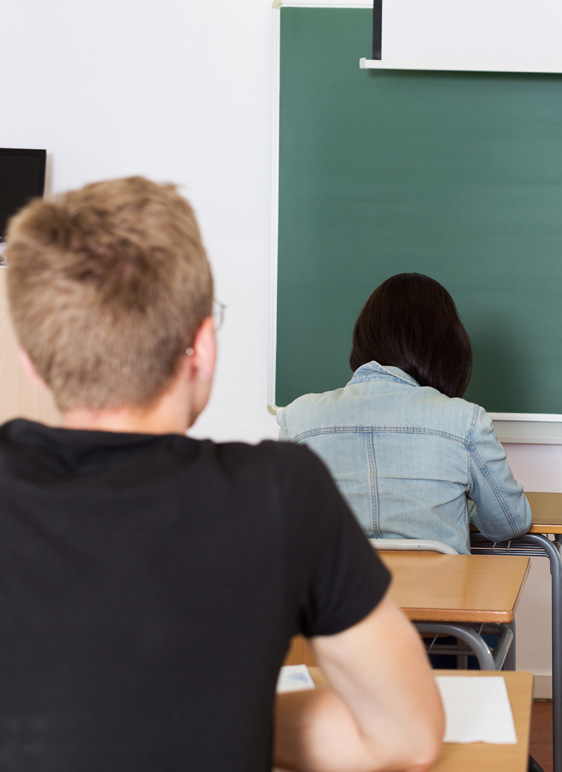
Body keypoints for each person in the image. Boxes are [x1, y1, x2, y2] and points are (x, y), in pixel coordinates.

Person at [0, 177, 443, 772]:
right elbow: (404, 735)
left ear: (33, 360)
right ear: (202, 346)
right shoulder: (280, 492)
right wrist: (221, 712)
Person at [276, 272, 531, 555]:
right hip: (439, 597)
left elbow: (280, 524)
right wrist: (463, 503)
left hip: (333, 598)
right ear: (446, 345)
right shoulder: (465, 421)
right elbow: (509, 524)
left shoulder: (298, 419)